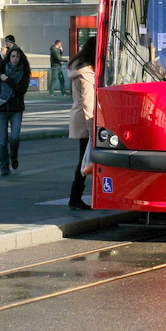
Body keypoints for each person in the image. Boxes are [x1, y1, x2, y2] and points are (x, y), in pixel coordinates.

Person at [67, 35, 97, 210]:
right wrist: (92, 127)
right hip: (85, 119)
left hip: (77, 116)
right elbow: (88, 102)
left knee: (84, 159)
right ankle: (75, 197)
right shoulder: (86, 74)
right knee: (85, 161)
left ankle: (75, 196)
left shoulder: (77, 68)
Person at [0, 45, 31, 175]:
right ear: (9, 57)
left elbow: (21, 89)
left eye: (17, 57)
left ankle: (13, 156)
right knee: (2, 141)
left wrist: (8, 80)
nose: (15, 59)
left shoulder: (24, 72)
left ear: (21, 59)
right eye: (13, 56)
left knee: (15, 137)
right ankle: (4, 166)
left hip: (16, 109)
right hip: (1, 109)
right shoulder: (2, 69)